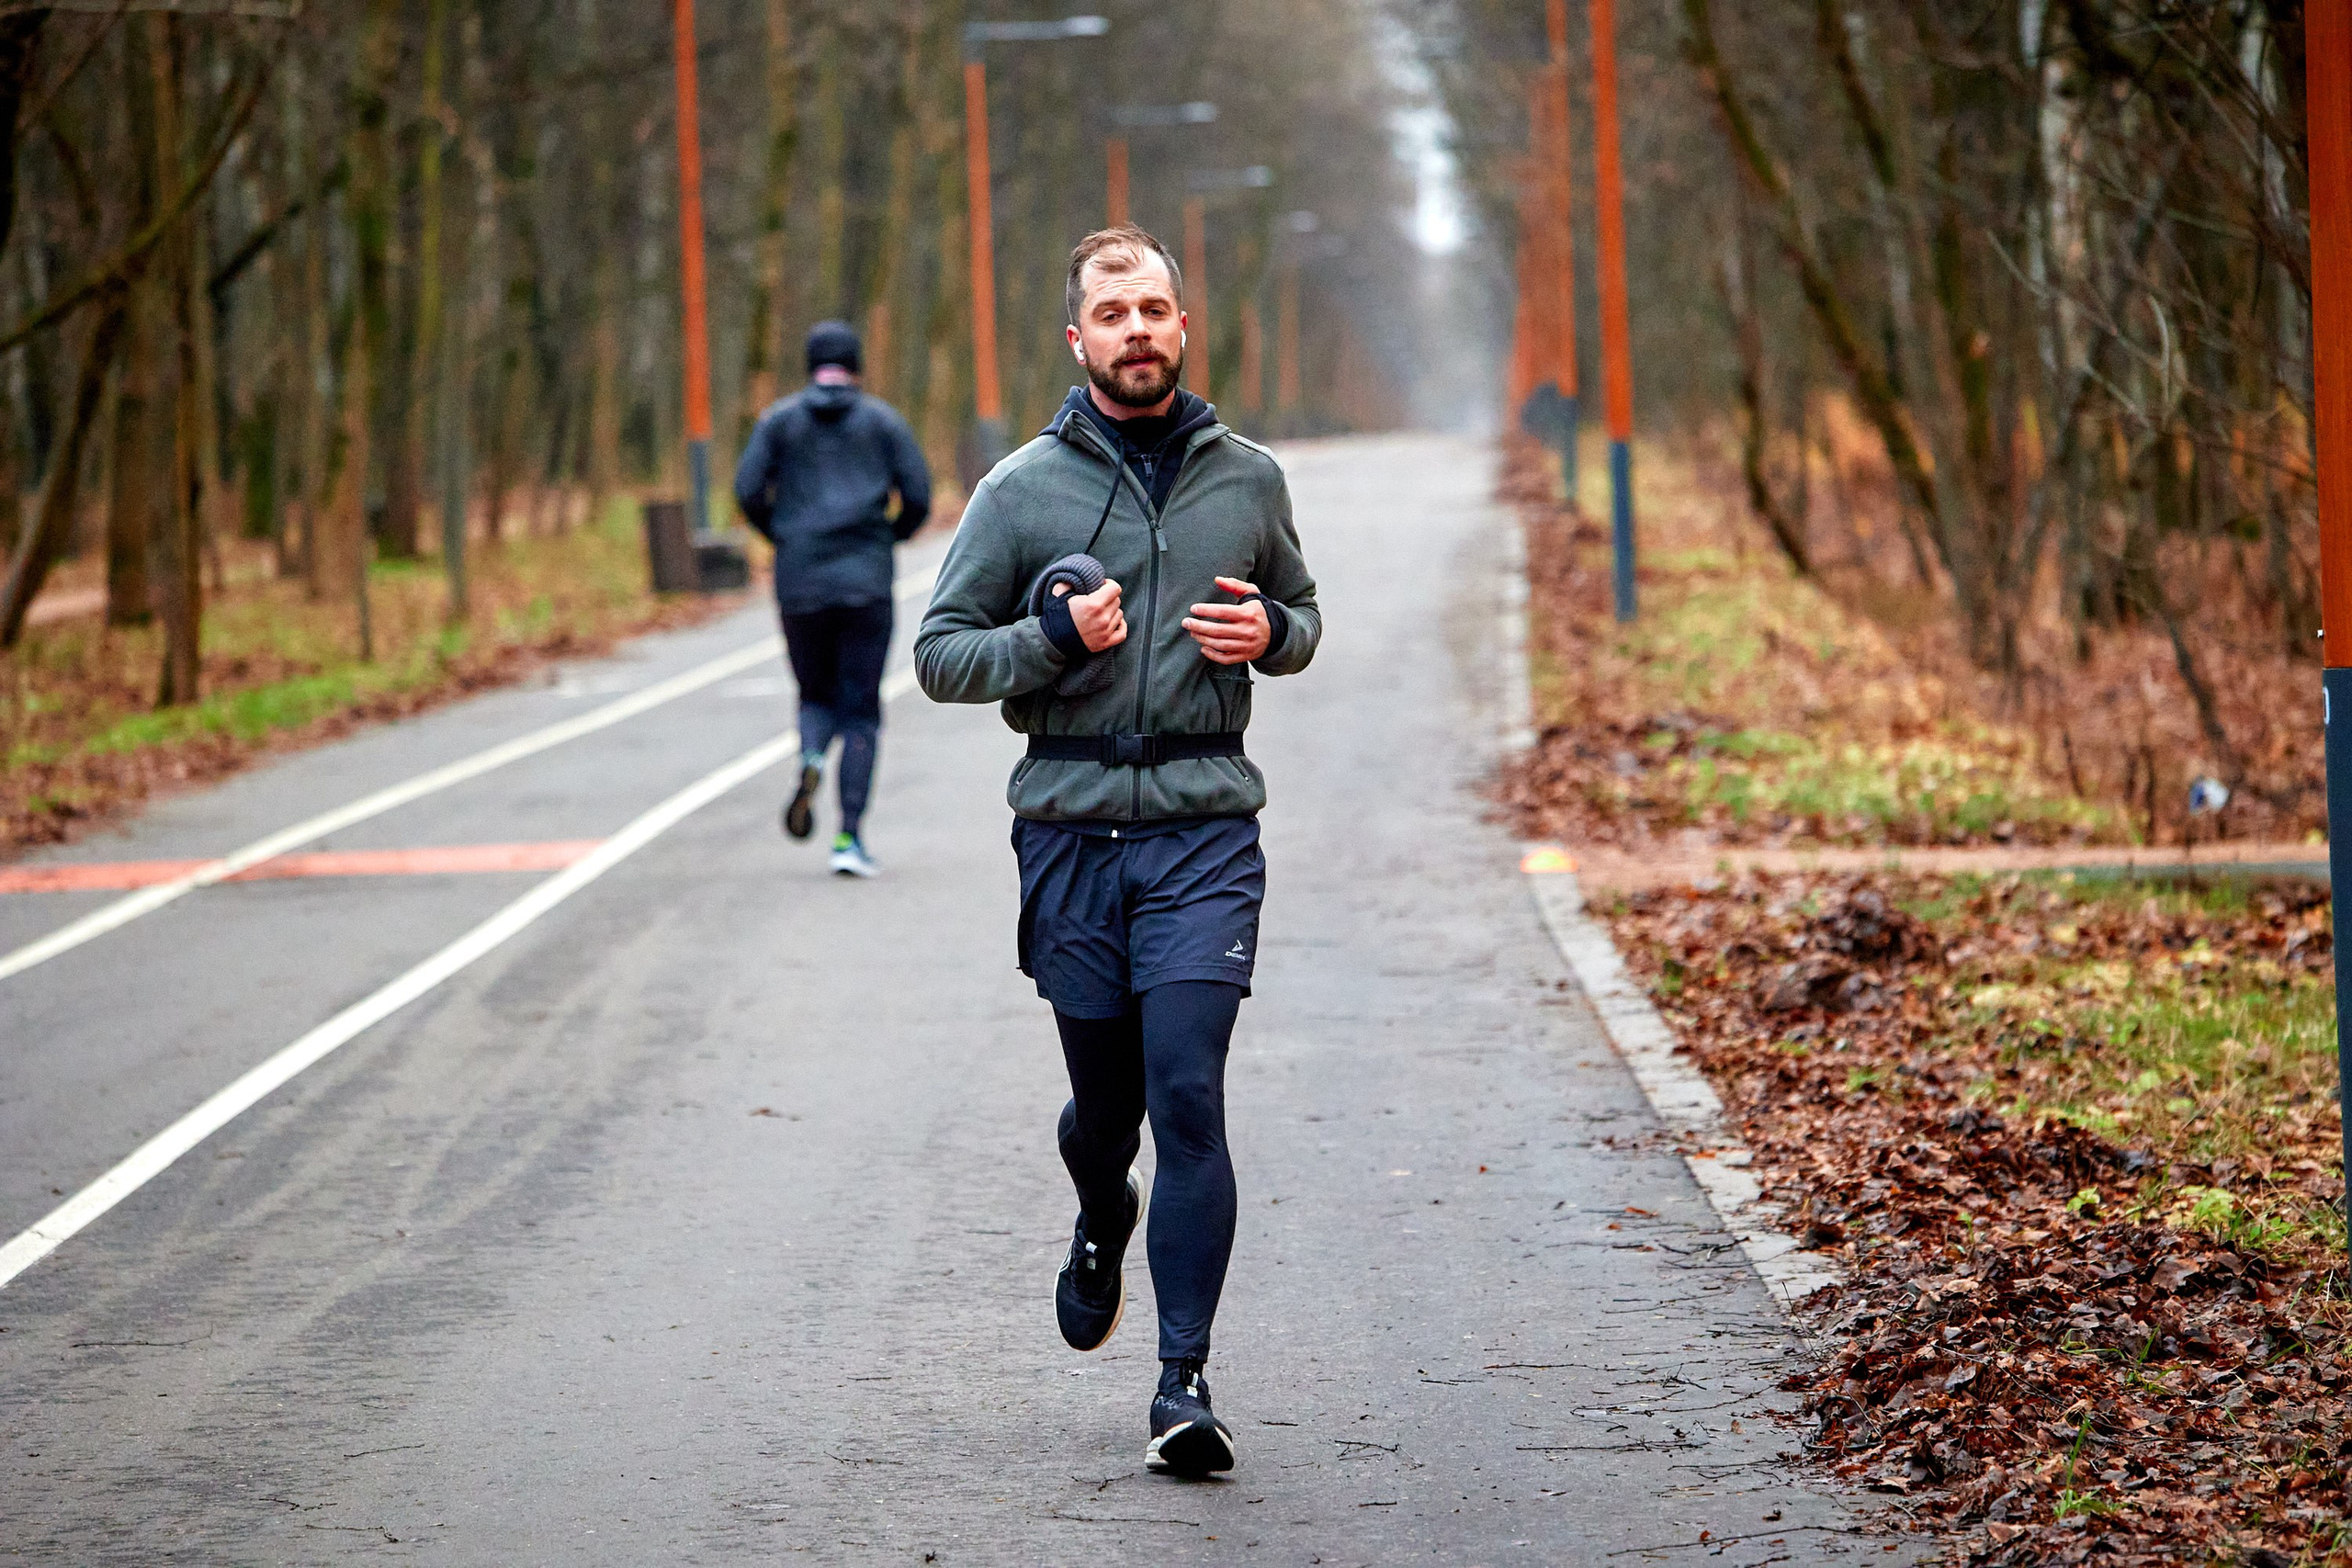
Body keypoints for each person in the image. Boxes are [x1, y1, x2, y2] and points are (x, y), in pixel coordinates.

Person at [916, 226, 1320, 1476]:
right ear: (1079, 338)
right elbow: (940, 654)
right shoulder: (1020, 489)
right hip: (1074, 832)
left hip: (1205, 824)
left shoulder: (1247, 478)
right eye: (1114, 310)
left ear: (1183, 328)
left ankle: (1182, 1377)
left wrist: (1273, 631)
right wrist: (1047, 647)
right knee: (1111, 1108)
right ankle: (1102, 1202)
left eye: (1156, 307)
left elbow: (1302, 613)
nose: (1138, 327)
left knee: (1188, 1088)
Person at [735, 321, 933, 877]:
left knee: (814, 695)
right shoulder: (883, 422)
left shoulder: (778, 422)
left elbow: (747, 489)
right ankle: (848, 837)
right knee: (862, 710)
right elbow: (917, 494)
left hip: (799, 580)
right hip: (865, 580)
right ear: (857, 366)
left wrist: (784, 535)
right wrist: (887, 537)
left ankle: (812, 757)